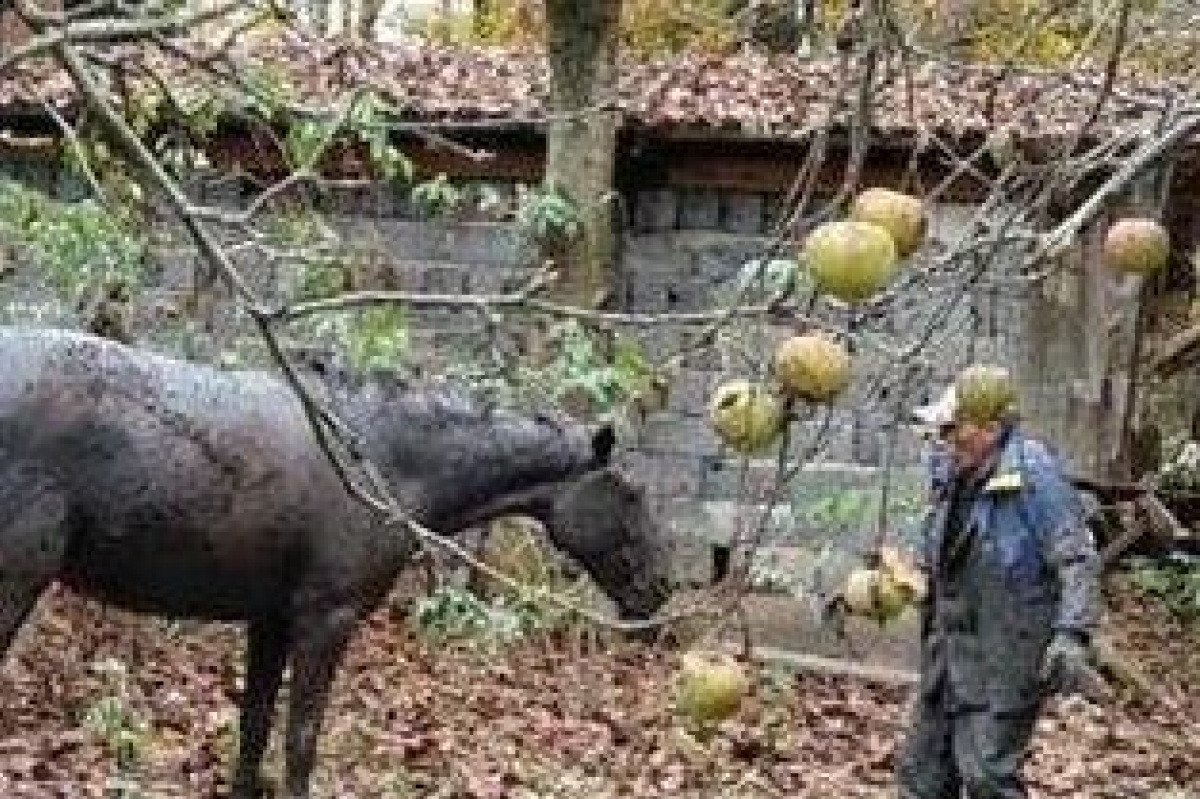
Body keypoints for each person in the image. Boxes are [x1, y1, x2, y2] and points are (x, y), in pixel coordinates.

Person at [897, 370, 1104, 799]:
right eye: (942, 429)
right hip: (948, 655)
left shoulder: (1035, 476)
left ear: (991, 428)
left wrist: (1071, 635)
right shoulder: (950, 475)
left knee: (987, 776)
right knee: (922, 777)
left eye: (955, 428)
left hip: (1006, 656)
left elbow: (1077, 559)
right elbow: (944, 560)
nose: (946, 437)